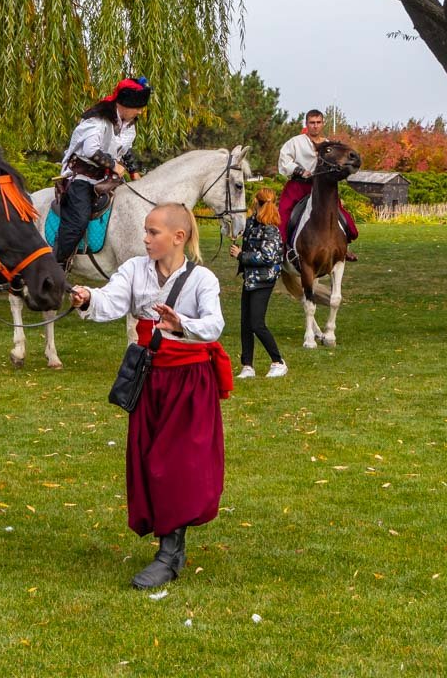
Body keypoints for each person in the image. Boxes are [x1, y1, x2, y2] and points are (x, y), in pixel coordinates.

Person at [70, 203, 233, 589]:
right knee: (147, 458)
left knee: (175, 463)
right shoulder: (134, 270)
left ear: (179, 237)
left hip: (189, 382)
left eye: (153, 232)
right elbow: (110, 301)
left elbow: (214, 324)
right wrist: (87, 298)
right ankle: (167, 544)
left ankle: (170, 553)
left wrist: (182, 323)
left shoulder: (203, 279)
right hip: (149, 379)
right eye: (145, 231)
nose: (145, 238)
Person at [53, 77, 149, 266]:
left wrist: (135, 174)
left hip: (104, 178)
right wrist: (114, 165)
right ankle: (55, 264)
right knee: (78, 221)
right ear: (124, 104)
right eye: (137, 106)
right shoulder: (97, 120)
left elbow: (124, 149)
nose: (140, 111)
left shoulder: (129, 124)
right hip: (79, 176)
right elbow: (90, 151)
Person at [277, 109, 359, 260]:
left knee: (341, 215)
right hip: (298, 186)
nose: (315, 126)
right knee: (283, 215)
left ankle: (343, 246)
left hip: (322, 188)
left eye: (318, 122)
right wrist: (300, 170)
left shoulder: (330, 146)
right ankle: (281, 250)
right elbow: (284, 162)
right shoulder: (295, 142)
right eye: (312, 123)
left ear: (323, 124)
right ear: (307, 124)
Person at [230, 188, 287, 379]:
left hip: (264, 280)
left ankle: (278, 361)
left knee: (256, 323)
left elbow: (267, 257)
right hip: (250, 279)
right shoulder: (252, 224)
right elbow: (244, 232)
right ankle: (247, 365)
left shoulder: (270, 229)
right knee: (246, 323)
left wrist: (241, 255)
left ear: (257, 202)